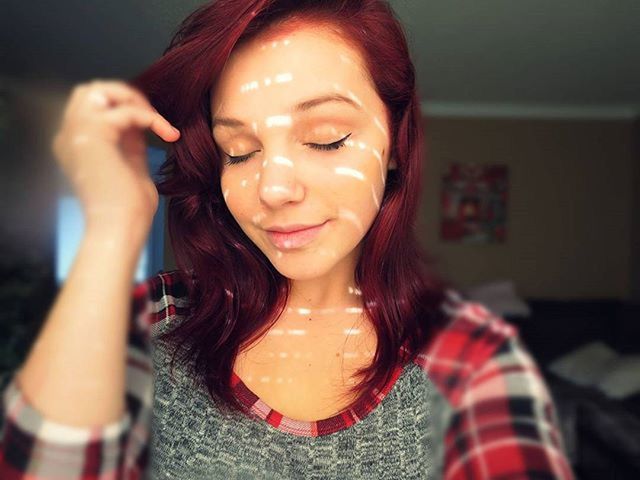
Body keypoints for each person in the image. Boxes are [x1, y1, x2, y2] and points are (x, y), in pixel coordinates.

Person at [0, 0, 575, 478]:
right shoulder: (156, 320)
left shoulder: (469, 356)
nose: (271, 190)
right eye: (239, 151)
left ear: (396, 144)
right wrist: (110, 228)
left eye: (324, 139)